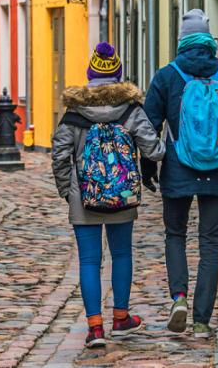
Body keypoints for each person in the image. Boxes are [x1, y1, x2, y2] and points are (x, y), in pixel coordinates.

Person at [143, 9, 218, 338]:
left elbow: (148, 125)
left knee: (175, 235)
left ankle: (178, 298)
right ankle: (200, 320)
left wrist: (149, 164)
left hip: (177, 170)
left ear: (181, 41)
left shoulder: (166, 76)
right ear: (210, 41)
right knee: (211, 244)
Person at [51, 42, 166, 348]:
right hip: (122, 194)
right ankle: (121, 318)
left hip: (83, 196)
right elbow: (153, 149)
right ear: (118, 75)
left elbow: (60, 155)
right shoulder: (130, 110)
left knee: (89, 261)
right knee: (122, 255)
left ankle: (95, 329)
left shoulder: (74, 113)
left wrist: (67, 190)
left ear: (90, 75)